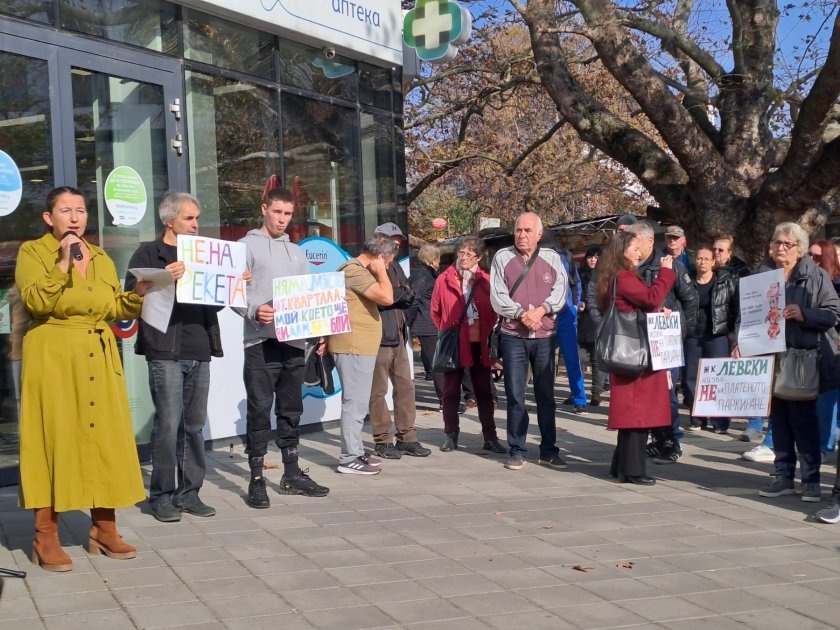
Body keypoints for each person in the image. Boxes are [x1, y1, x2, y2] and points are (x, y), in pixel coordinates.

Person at [16, 186, 151, 571]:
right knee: (53, 439)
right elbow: (36, 302)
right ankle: (45, 535)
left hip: (98, 354)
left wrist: (138, 294)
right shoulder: (32, 252)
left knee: (103, 438)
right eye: (65, 210)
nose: (75, 217)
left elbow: (110, 308)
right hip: (54, 355)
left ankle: (104, 529)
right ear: (49, 218)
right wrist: (62, 263)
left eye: (80, 210)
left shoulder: (101, 257)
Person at [126, 192, 224, 522]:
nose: (196, 224)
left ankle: (190, 492)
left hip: (199, 348)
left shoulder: (206, 256)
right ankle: (162, 495)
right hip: (164, 350)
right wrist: (164, 275)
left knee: (194, 426)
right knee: (168, 425)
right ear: (170, 221)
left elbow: (217, 300)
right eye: (189, 218)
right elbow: (131, 297)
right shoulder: (149, 253)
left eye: (197, 218)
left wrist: (233, 282)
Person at [735, 223, 840, 502]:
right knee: (778, 422)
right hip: (770, 359)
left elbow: (832, 313)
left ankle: (811, 480)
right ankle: (782, 476)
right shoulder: (761, 276)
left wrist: (804, 314)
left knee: (804, 423)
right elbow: (745, 315)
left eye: (787, 244)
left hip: (803, 359)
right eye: (776, 243)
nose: (780, 248)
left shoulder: (815, 277)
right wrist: (739, 342)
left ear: (799, 249)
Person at [238, 186, 329, 508]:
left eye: (288, 214)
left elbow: (307, 296)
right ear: (264, 208)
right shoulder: (245, 246)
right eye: (277, 212)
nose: (282, 219)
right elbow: (232, 292)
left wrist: (318, 334)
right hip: (260, 341)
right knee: (260, 410)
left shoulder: (298, 252)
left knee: (291, 410)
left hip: (293, 341)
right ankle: (257, 478)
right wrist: (252, 310)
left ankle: (291, 472)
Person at [490, 212, 569, 471]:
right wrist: (522, 314)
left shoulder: (552, 258)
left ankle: (549, 450)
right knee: (515, 395)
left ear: (539, 234)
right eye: (518, 230)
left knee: (546, 396)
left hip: (545, 336)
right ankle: (517, 449)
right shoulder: (502, 257)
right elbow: (498, 296)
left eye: (527, 230)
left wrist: (541, 310)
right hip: (514, 336)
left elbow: (560, 292)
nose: (522, 235)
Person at [597, 231, 676, 485]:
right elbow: (651, 297)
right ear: (622, 251)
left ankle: (621, 465)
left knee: (634, 414)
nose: (638, 252)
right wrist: (666, 273)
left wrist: (656, 310)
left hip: (631, 350)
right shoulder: (625, 277)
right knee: (637, 415)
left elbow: (643, 305)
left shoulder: (618, 276)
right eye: (633, 248)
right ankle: (632, 470)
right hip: (636, 354)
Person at [629, 221, 698, 464]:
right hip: (637, 342)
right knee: (644, 395)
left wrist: (679, 331)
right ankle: (657, 440)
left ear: (648, 241)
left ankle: (671, 441)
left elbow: (690, 302)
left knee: (667, 394)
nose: (631, 245)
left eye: (634, 240)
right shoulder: (629, 267)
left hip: (665, 342)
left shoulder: (671, 267)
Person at [329, 233, 397, 474]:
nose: (389, 267)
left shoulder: (358, 271)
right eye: (388, 262)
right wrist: (381, 272)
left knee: (358, 403)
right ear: (380, 256)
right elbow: (387, 297)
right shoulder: (354, 270)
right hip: (353, 346)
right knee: (354, 404)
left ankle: (356, 451)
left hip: (360, 346)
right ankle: (349, 458)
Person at [431, 236, 504, 453]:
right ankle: (450, 435)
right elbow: (435, 311)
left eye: (469, 254)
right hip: (455, 343)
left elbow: (495, 311)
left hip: (480, 343)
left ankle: (490, 436)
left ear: (479, 258)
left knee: (484, 391)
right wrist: (448, 331)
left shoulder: (486, 280)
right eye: (461, 253)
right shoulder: (443, 279)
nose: (463, 257)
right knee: (451, 391)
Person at [369, 222, 431, 459]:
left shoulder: (395, 266)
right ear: (379, 240)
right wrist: (396, 295)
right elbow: (380, 298)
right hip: (378, 337)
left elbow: (409, 294)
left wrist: (394, 296)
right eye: (391, 239)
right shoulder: (369, 266)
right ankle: (382, 440)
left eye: (398, 240)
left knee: (406, 387)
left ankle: (407, 437)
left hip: (398, 336)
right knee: (378, 392)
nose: (397, 243)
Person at [683, 246, 738, 433]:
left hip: (717, 335)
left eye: (707, 258)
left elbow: (735, 307)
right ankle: (697, 418)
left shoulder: (725, 281)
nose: (703, 262)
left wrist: (733, 331)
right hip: (692, 335)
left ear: (714, 262)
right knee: (691, 378)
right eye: (699, 258)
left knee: (718, 379)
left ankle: (720, 421)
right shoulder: (686, 280)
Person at [809, 239, 840, 462]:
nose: (812, 260)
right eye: (809, 255)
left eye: (818, 257)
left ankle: (825, 445)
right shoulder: (805, 281)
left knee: (828, 400)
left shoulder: (837, 283)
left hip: (833, 348)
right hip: (809, 349)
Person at [406, 244, 442, 403]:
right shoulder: (422, 275)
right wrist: (410, 320)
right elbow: (414, 299)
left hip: (428, 322)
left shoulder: (424, 273)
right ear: (432, 260)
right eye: (438, 259)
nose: (440, 262)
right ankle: (444, 400)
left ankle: (445, 399)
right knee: (437, 364)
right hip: (427, 323)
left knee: (435, 362)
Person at [577, 245, 605, 405]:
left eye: (596, 257)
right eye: (590, 257)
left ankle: (596, 394)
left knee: (597, 361)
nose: (593, 260)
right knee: (578, 359)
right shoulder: (580, 275)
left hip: (597, 321)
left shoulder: (604, 276)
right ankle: (578, 391)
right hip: (581, 322)